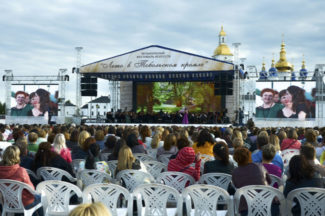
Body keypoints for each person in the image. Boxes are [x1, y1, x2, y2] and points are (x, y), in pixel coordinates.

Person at [0, 146, 42, 212]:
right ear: (17, 156)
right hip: (24, 203)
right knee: (43, 198)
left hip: (7, 202)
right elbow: (32, 189)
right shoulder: (21, 171)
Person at [232, 147, 272, 215]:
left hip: (247, 207)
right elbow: (270, 181)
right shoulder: (259, 166)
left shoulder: (235, 172)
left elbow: (237, 186)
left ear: (236, 159)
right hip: (269, 204)